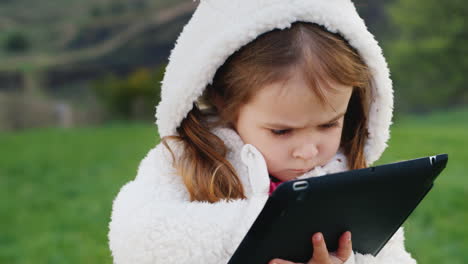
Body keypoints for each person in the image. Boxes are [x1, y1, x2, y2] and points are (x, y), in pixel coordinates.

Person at [108, 0, 417, 263]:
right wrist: (257, 229)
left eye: (328, 124)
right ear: (224, 100)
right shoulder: (183, 160)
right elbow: (137, 239)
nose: (308, 151)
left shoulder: (347, 176)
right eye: (281, 131)